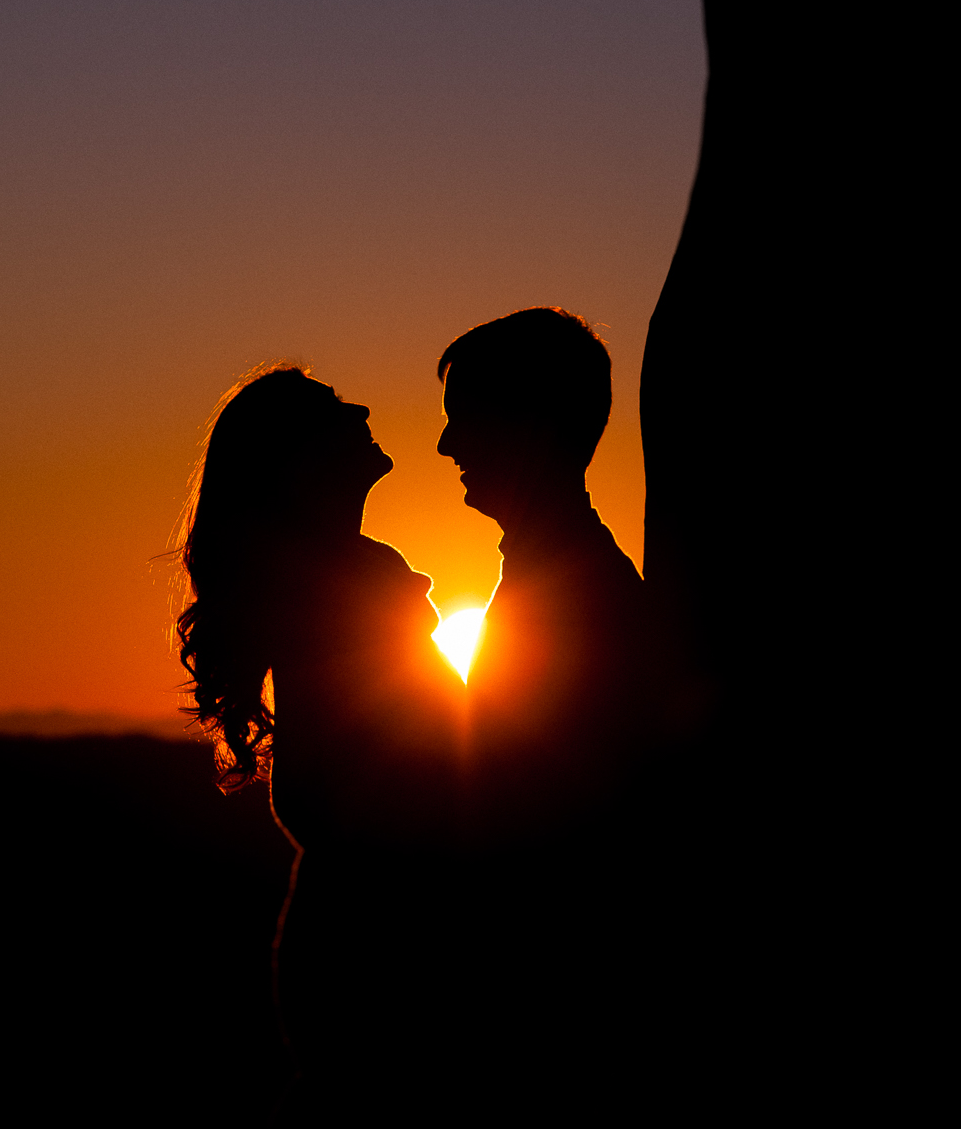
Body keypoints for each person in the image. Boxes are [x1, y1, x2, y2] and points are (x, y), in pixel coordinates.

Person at [173, 363, 462, 1107]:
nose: (362, 403)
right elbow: (351, 791)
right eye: (334, 407)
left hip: (356, 941)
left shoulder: (347, 581)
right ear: (298, 459)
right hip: (381, 958)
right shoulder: (340, 594)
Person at [434, 308, 660, 840]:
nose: (446, 445)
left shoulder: (579, 603)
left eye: (463, 417)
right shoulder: (565, 578)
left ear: (525, 423)